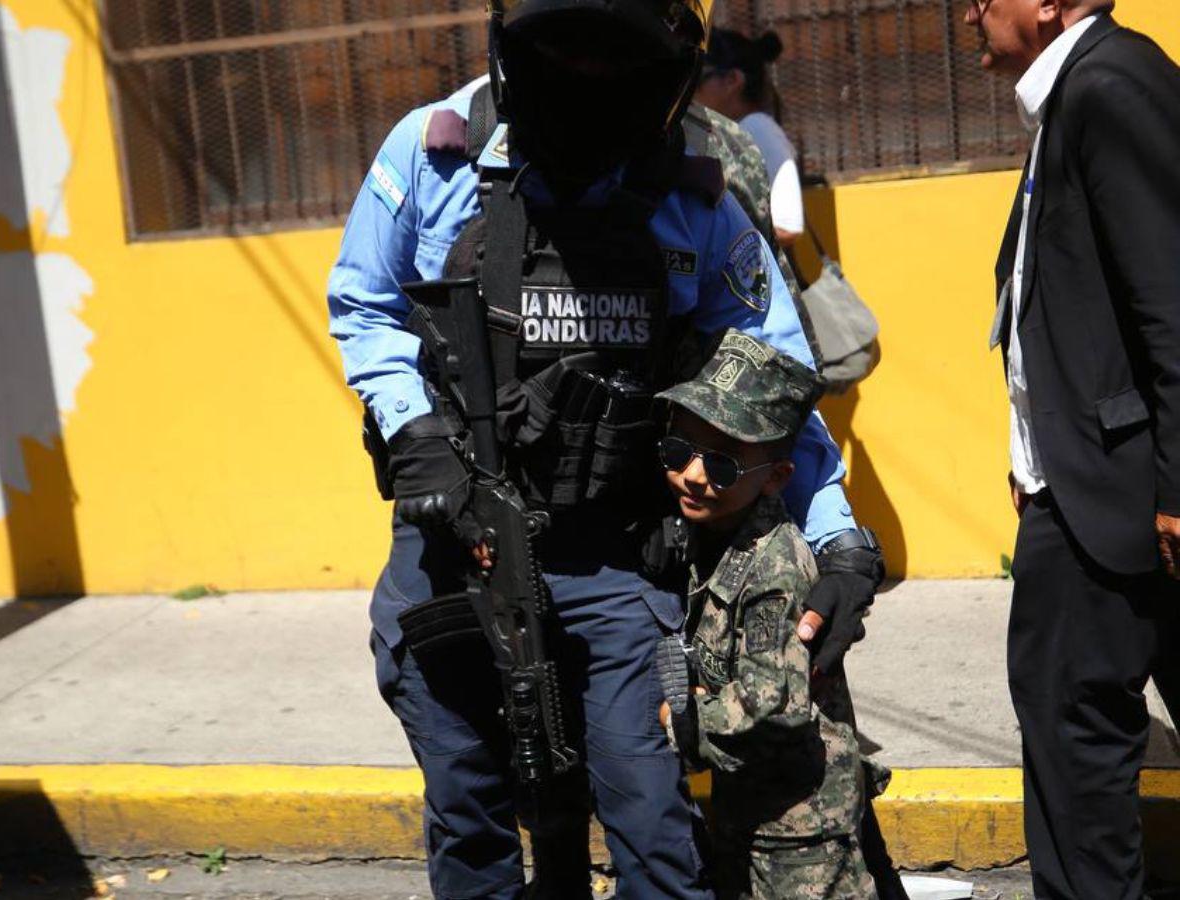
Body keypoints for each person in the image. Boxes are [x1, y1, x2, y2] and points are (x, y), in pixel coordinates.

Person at [327, 0, 885, 894]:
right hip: (456, 543)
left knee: (654, 826)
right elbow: (365, 302)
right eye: (563, 56)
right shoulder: (435, 152)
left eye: (612, 62)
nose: (586, 81)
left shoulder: (692, 201)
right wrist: (414, 429)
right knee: (471, 820)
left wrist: (841, 538)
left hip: (613, 559)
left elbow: (770, 385)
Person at [967, 0, 1180, 896]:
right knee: (1065, 732)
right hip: (1090, 481)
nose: (971, 11)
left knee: (1073, 746)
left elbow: (1170, 304)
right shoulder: (1077, 93)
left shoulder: (1107, 87)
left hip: (1120, 497)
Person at [655, 329, 877, 899]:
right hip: (748, 811)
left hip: (800, 832)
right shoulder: (706, 535)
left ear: (777, 476)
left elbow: (774, 697)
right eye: (680, 452)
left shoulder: (774, 566)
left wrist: (687, 725)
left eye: (725, 466)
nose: (696, 475)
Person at [693, 29, 805, 248]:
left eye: (698, 80)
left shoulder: (757, 128)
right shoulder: (729, 131)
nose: (691, 91)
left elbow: (787, 227)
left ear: (732, 80)